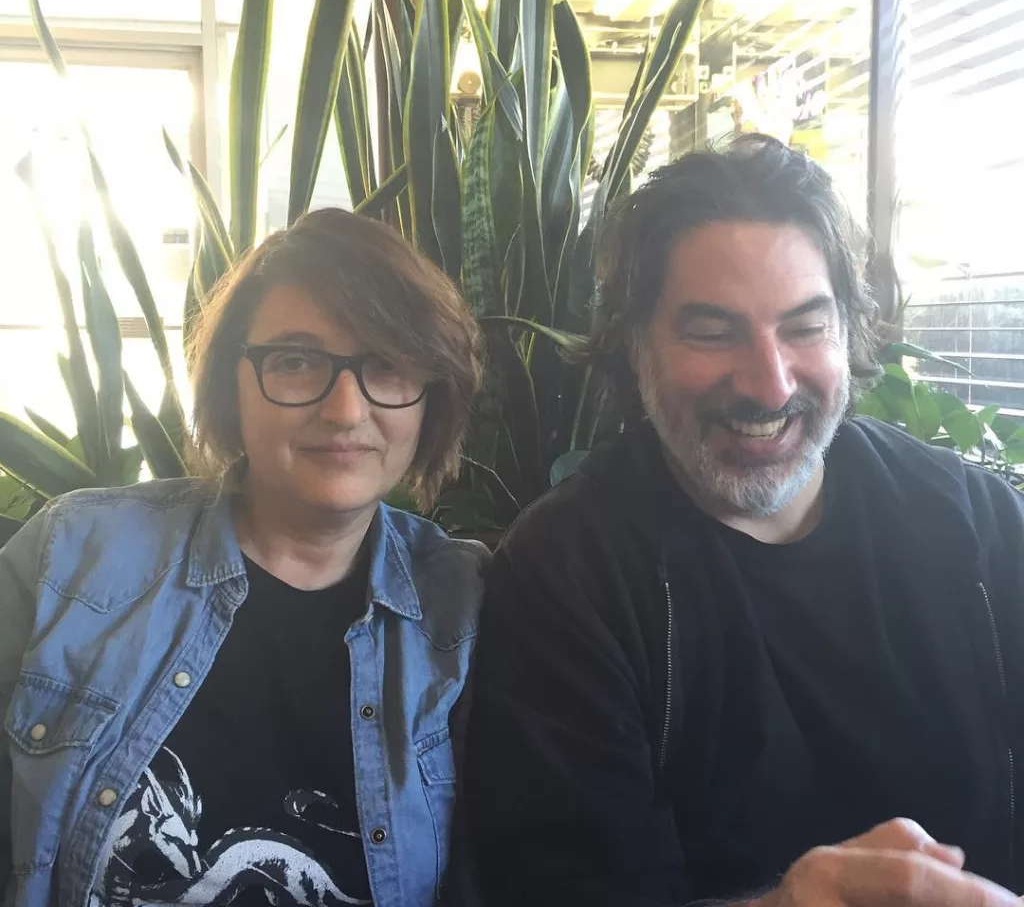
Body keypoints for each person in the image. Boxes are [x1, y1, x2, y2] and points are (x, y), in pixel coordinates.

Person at [461, 135, 1024, 907]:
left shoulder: (972, 522)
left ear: (848, 332)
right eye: (713, 331)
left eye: (804, 326)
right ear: (634, 348)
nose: (769, 383)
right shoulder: (568, 579)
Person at [0, 208, 486, 907]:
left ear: (429, 399)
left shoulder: (465, 615)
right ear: (232, 383)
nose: (346, 409)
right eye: (295, 361)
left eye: (386, 364)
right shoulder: (70, 559)